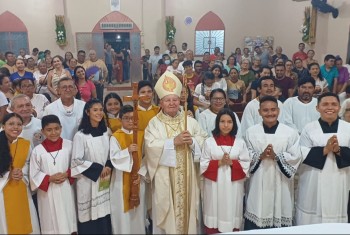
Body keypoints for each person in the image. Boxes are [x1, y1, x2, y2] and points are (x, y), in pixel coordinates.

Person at [144, 71, 208, 234]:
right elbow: (150, 147)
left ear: (180, 100)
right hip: (165, 178)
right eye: (167, 100)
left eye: (174, 99)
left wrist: (192, 142)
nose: (172, 103)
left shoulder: (191, 122)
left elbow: (204, 141)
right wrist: (173, 142)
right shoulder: (154, 124)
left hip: (188, 178)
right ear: (161, 103)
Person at [244, 96, 301, 230]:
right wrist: (260, 156)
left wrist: (277, 157)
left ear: (278, 110)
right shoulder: (251, 132)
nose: (270, 113)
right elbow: (246, 154)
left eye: (273, 110)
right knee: (257, 209)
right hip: (258, 181)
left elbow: (295, 156)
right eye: (265, 110)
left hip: (281, 182)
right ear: (259, 112)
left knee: (280, 209)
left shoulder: (290, 133)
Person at [295, 92, 350, 225]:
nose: (329, 107)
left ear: (339, 107)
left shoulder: (348, 128)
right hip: (313, 181)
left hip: (339, 179)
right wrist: (325, 150)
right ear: (317, 108)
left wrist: (339, 150)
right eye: (325, 104)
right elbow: (301, 154)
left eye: (333, 104)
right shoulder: (309, 128)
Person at [200, 108, 250, 233]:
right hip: (213, 186)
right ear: (217, 123)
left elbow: (246, 164)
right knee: (214, 210)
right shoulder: (209, 142)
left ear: (234, 124)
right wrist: (219, 163)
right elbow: (203, 164)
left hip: (234, 186)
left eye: (229, 122)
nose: (226, 125)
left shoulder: (240, 143)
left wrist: (232, 163)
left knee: (232, 209)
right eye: (222, 121)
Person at [29, 114, 77, 234]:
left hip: (67, 189)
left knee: (68, 218)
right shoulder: (37, 151)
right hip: (47, 194)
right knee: (50, 221)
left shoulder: (70, 145)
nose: (53, 132)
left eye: (56, 129)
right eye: (49, 130)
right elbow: (34, 174)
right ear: (42, 131)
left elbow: (77, 165)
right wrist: (49, 178)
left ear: (61, 128)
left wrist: (67, 174)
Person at [71, 99, 112, 234]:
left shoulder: (107, 131)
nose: (99, 113)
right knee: (90, 216)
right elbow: (76, 160)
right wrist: (99, 169)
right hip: (88, 181)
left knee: (105, 212)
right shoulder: (81, 135)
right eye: (95, 110)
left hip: (105, 178)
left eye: (101, 110)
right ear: (87, 112)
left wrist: (108, 166)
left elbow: (112, 152)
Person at [109, 105, 148, 234]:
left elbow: (147, 157)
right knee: (122, 213)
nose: (130, 121)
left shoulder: (142, 134)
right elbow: (114, 158)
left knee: (139, 212)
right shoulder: (115, 136)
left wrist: (140, 174)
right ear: (120, 120)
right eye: (126, 118)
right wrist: (127, 151)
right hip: (121, 181)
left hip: (138, 180)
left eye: (132, 118)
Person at [0, 113, 40, 234]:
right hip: (2, 192)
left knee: (25, 221)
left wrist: (22, 173)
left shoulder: (25, 144)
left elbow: (30, 165)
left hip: (21, 187)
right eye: (11, 124)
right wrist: (8, 174)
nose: (15, 127)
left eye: (19, 124)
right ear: (3, 126)